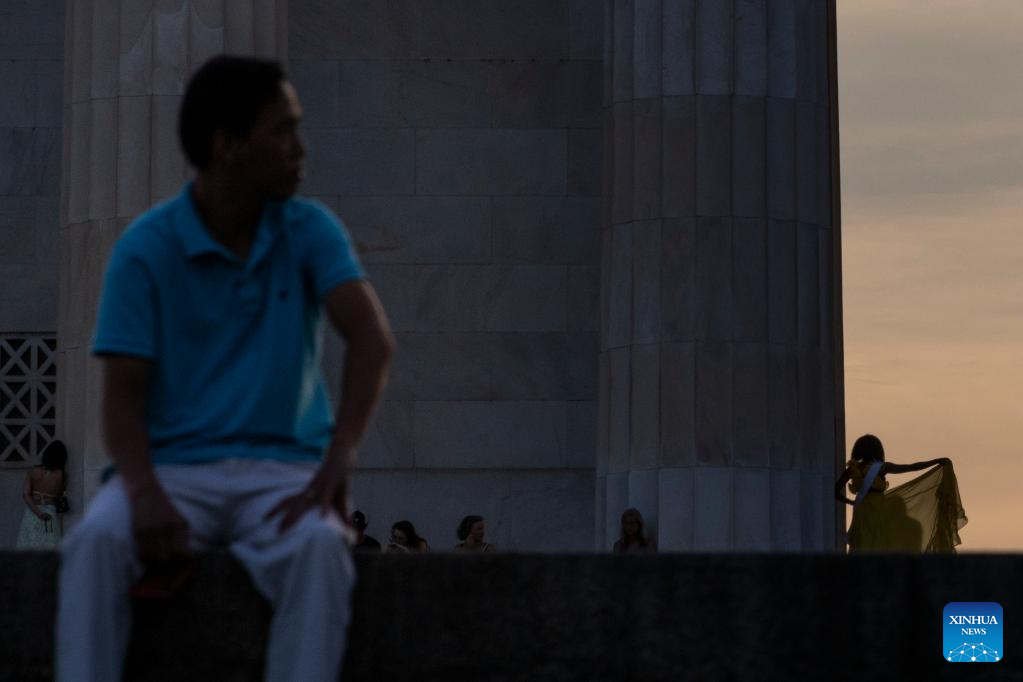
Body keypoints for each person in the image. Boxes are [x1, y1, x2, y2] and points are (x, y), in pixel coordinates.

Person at [56, 55, 395, 682]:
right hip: (172, 470)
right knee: (94, 543)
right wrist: (145, 494)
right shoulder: (146, 249)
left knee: (320, 548)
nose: (300, 149)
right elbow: (122, 398)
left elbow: (372, 337)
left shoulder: (309, 230)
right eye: (282, 130)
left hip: (281, 473)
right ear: (227, 144)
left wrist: (339, 455)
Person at [835, 434, 967, 552]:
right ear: (878, 451)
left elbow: (836, 492)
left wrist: (851, 502)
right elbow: (911, 467)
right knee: (879, 542)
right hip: (878, 512)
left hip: (861, 513)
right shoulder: (882, 467)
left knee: (861, 542)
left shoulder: (852, 468)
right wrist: (935, 461)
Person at [16, 440, 68, 549]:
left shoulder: (33, 471)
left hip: (32, 512)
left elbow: (25, 494)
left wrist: (38, 513)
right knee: (49, 545)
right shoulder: (61, 474)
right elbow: (60, 496)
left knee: (28, 546)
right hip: (50, 513)